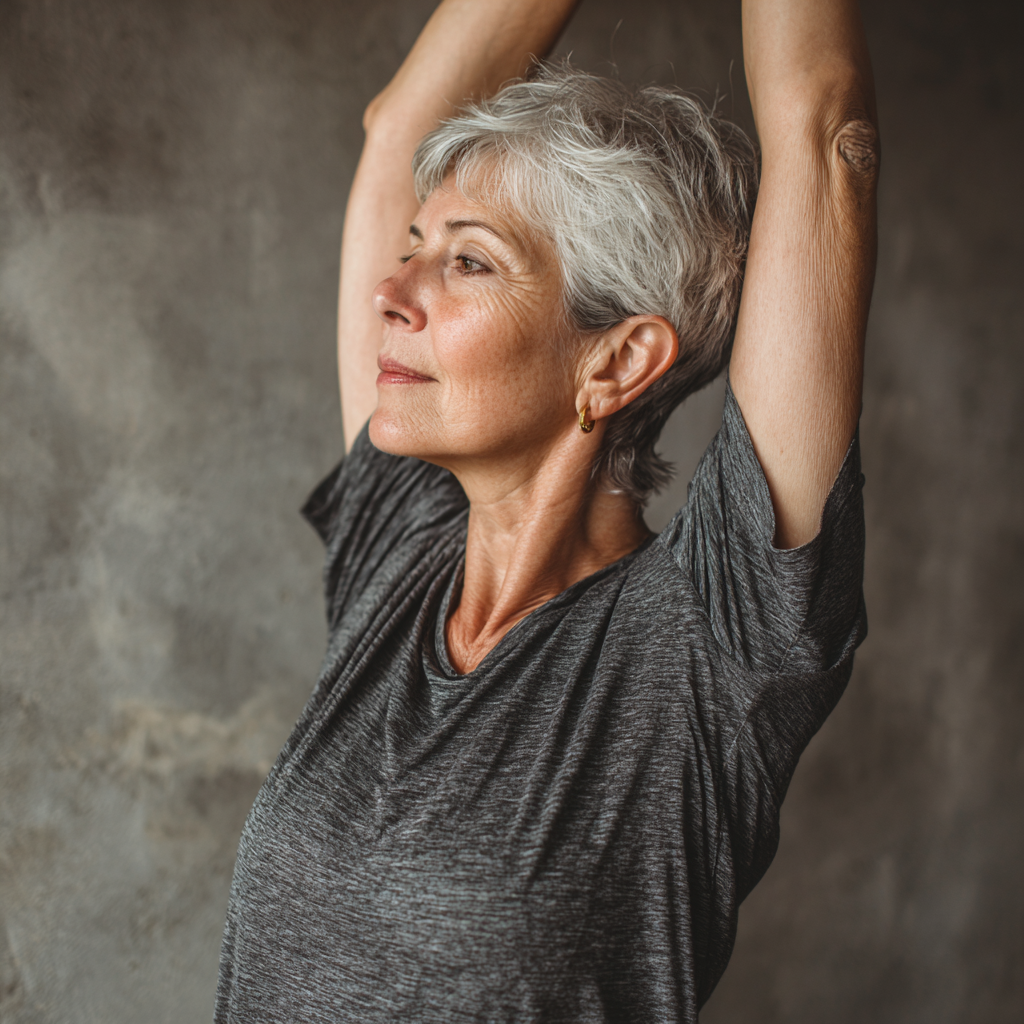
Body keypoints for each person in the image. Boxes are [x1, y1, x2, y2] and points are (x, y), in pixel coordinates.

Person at [214, 0, 878, 1019]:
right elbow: (403, 127)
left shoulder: (707, 647)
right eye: (415, 242)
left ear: (616, 361)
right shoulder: (402, 546)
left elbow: (824, 132)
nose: (395, 290)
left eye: (469, 259)